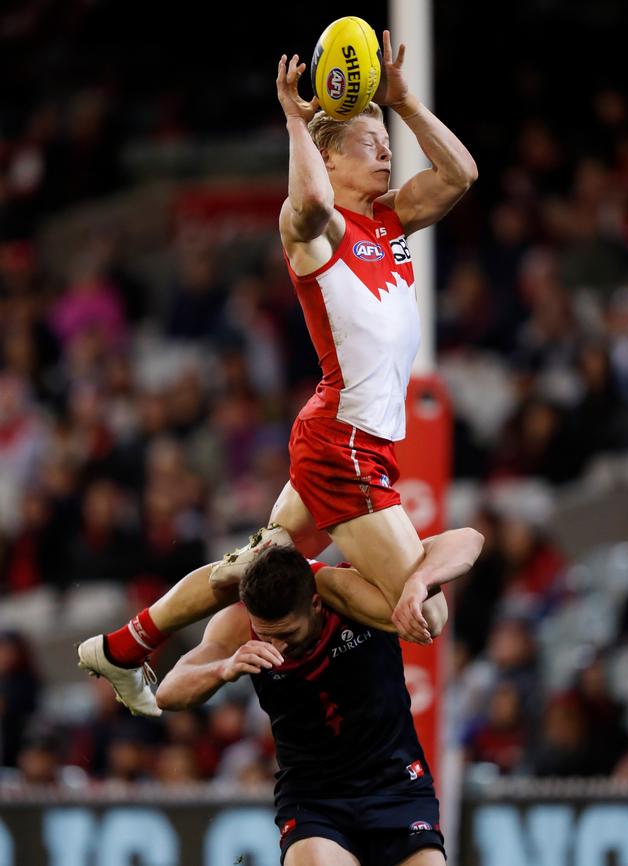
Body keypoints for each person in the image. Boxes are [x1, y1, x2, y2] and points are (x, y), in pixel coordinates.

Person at [78, 29, 478, 717]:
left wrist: (404, 101)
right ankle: (309, 582)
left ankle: (122, 646)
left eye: (384, 142)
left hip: (340, 432)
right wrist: (296, 119)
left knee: (246, 570)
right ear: (325, 156)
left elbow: (462, 176)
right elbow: (312, 205)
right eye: (365, 143)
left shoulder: (389, 221)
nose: (383, 152)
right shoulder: (315, 233)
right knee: (428, 619)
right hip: (343, 449)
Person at [156, 545, 452, 866]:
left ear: (315, 604)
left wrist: (418, 581)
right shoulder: (239, 624)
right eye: (265, 636)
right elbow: (168, 693)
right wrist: (224, 668)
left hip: (397, 785)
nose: (276, 647)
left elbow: (465, 540)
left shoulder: (356, 592)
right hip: (314, 799)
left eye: (286, 633)